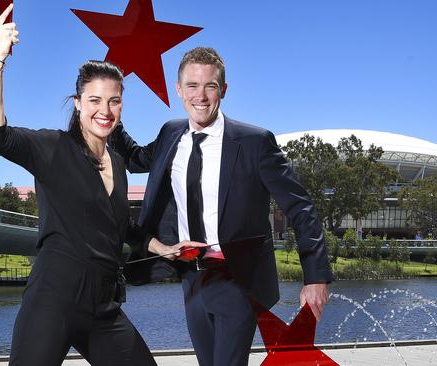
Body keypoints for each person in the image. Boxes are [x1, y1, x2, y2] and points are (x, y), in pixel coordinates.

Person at [0, 5, 201, 365]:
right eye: (95, 100)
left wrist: (166, 249)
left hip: (104, 308)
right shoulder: (53, 149)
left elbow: (122, 227)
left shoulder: (117, 161)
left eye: (114, 101)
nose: (106, 110)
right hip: (52, 302)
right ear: (78, 103)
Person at [109, 47, 334, 366]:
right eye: (192, 86)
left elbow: (300, 208)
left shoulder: (255, 142)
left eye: (210, 86)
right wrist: (111, 116)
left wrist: (316, 277)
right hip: (190, 277)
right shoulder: (171, 134)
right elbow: (134, 159)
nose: (200, 96)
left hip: (237, 277)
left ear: (223, 90)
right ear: (178, 89)